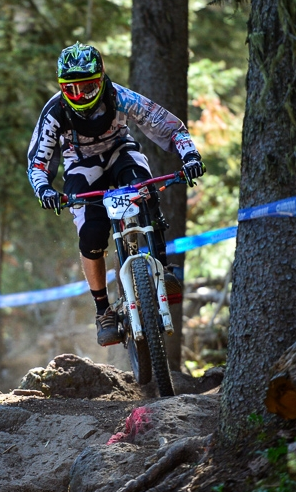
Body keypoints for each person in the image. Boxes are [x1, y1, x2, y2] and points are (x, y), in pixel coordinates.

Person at [27, 43, 205, 346]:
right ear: (62, 87)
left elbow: (168, 124)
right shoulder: (55, 110)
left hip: (120, 152)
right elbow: (38, 160)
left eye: (89, 86)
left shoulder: (119, 96)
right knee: (91, 234)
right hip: (82, 166)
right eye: (73, 89)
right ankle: (103, 311)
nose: (81, 95)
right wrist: (44, 188)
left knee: (144, 187)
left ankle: (162, 265)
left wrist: (189, 155)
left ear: (102, 79)